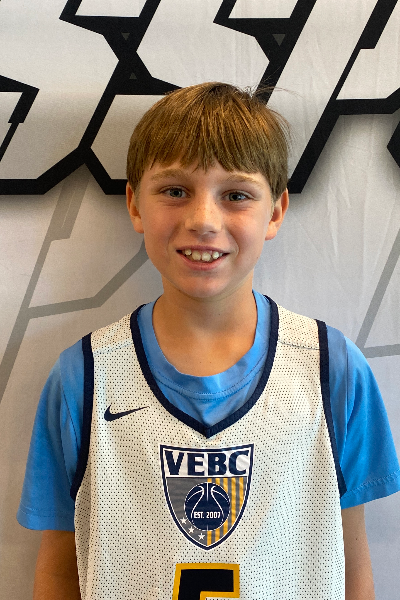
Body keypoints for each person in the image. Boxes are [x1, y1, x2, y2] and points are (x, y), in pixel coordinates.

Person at [18, 82, 399, 600]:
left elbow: (350, 560)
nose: (203, 220)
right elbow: (60, 571)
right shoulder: (83, 376)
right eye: (175, 191)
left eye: (236, 195)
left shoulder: (334, 370)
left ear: (276, 211)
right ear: (135, 204)